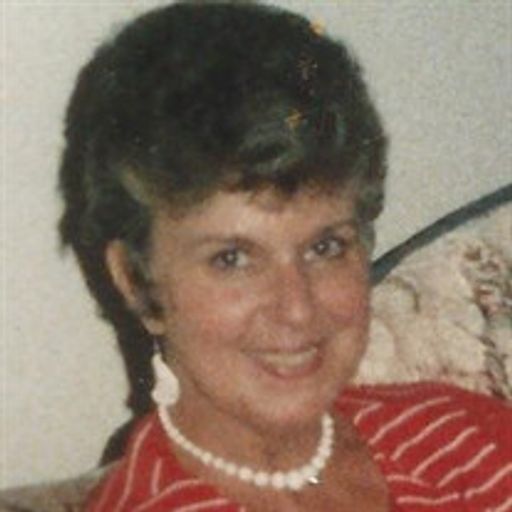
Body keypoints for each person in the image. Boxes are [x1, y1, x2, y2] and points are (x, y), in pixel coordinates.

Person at [58, 2, 512, 510]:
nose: (296, 308)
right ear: (137, 282)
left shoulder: (467, 438)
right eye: (233, 259)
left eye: (325, 247)